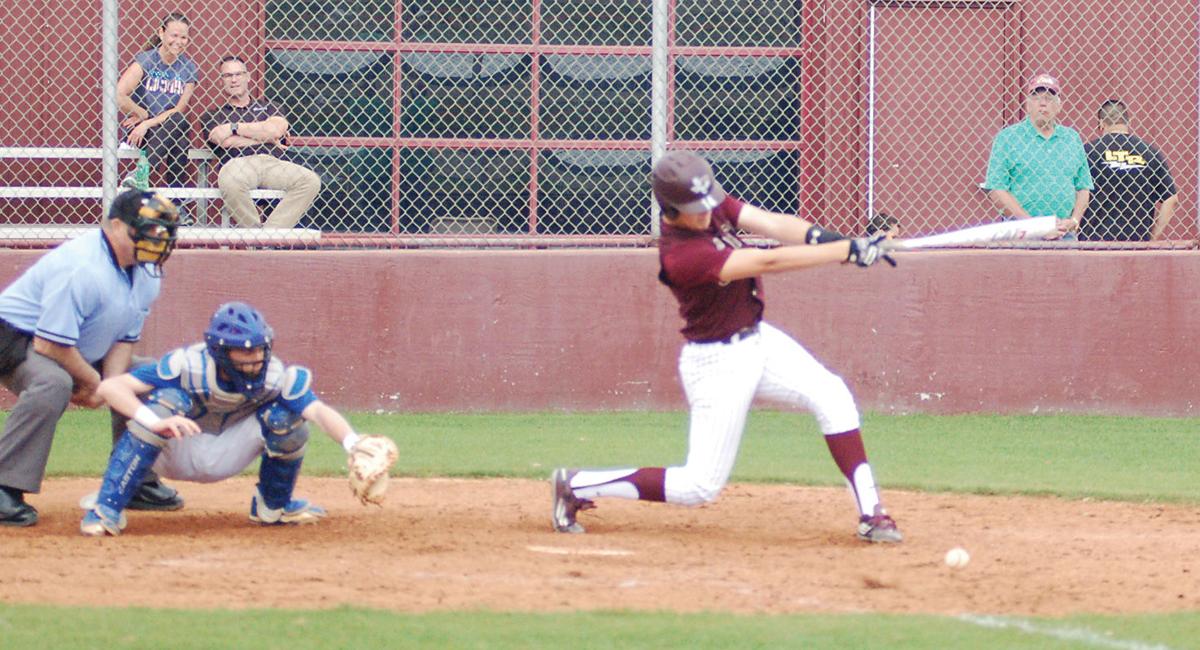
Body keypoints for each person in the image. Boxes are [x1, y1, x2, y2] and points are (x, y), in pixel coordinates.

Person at [551, 151, 903, 543]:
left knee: (832, 394)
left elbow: (771, 223)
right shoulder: (682, 257)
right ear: (669, 208)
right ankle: (577, 484)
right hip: (717, 362)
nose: (706, 214)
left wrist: (836, 242)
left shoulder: (708, 204)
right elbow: (765, 263)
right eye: (694, 210)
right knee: (698, 486)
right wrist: (845, 252)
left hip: (757, 340)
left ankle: (872, 514)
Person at [80, 302, 368, 536]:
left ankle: (274, 506)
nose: (255, 357)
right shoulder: (188, 364)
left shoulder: (274, 375)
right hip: (176, 446)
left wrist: (353, 443)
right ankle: (107, 508)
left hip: (229, 451)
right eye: (244, 350)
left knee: (285, 416)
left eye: (258, 348)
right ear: (220, 350)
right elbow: (110, 387)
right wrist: (153, 421)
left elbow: (317, 411)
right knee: (168, 401)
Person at [0, 190, 180, 526]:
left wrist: (111, 385)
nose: (154, 243)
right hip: (15, 336)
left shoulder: (147, 272)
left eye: (159, 235)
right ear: (115, 226)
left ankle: (135, 477)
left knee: (148, 376)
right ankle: (4, 486)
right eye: (144, 232)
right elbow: (49, 345)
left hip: (76, 343)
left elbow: (126, 339)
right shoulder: (82, 267)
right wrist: (94, 383)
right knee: (52, 383)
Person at [202, 55, 321, 229]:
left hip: (272, 163)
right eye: (228, 76)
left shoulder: (271, 106)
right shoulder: (213, 115)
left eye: (238, 74)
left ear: (248, 77)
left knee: (310, 181)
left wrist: (233, 127)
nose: (234, 80)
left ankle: (268, 235)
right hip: (238, 164)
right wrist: (264, 135)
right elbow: (223, 141)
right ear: (221, 81)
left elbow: (275, 130)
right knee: (229, 181)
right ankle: (255, 235)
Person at [983, 73, 1092, 239]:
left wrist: (1074, 220)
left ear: (1059, 106)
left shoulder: (1072, 138)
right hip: (1022, 235)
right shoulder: (1007, 138)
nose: (1042, 103)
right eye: (1036, 97)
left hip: (1064, 235)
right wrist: (1034, 226)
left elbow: (1083, 187)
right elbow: (997, 190)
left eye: (1049, 98)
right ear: (1027, 105)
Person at [116, 13, 198, 193]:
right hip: (139, 133)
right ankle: (177, 204)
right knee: (180, 130)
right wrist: (141, 113)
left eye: (183, 37)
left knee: (179, 126)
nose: (179, 41)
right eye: (174, 35)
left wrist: (147, 122)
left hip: (160, 126)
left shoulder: (189, 68)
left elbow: (178, 109)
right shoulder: (146, 61)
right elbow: (118, 94)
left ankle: (141, 174)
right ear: (161, 33)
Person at [1080, 99, 1179, 241]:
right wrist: (1152, 237)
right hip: (1136, 241)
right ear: (1128, 122)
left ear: (1101, 123)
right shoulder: (1149, 152)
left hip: (1094, 240)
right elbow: (1171, 199)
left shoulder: (1089, 151)